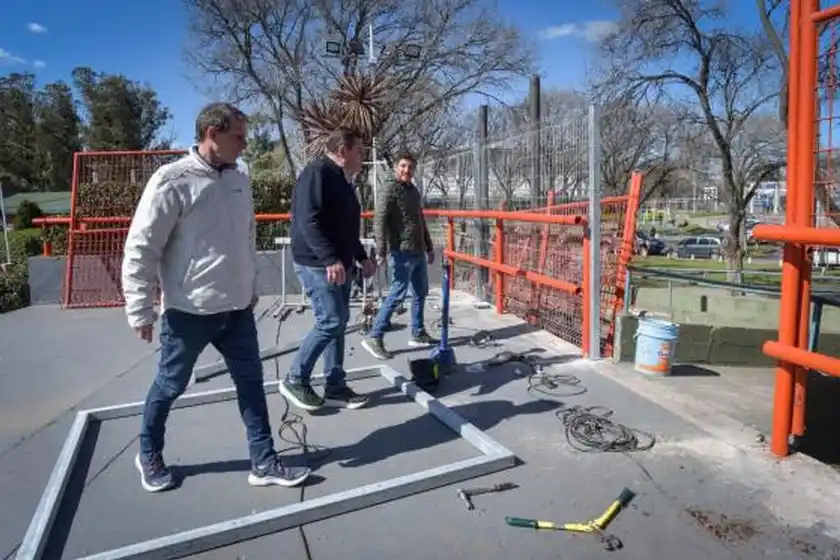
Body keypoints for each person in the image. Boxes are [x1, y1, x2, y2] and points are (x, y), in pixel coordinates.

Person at [122, 102, 311, 493]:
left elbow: (244, 238)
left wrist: (252, 286)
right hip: (189, 310)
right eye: (237, 137)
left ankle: (263, 461)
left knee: (251, 384)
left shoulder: (240, 178)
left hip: (238, 309)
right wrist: (140, 309)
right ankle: (148, 452)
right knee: (170, 385)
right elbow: (142, 247)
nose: (245, 144)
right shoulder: (171, 180)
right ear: (212, 133)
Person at [281, 129, 376, 412]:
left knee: (339, 321)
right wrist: (330, 259)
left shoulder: (343, 181)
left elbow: (345, 227)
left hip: (339, 261)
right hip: (317, 263)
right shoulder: (317, 173)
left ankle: (335, 385)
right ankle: (295, 378)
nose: (363, 156)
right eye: (359, 150)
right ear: (343, 150)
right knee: (331, 321)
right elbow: (307, 221)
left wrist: (360, 256)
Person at [361, 150, 437, 360]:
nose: (407, 170)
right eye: (403, 166)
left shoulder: (412, 190)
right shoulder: (389, 188)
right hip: (400, 251)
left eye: (410, 167)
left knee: (420, 293)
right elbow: (380, 220)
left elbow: (420, 220)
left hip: (418, 251)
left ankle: (418, 332)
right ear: (396, 167)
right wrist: (382, 250)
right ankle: (375, 336)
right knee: (397, 293)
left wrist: (429, 247)